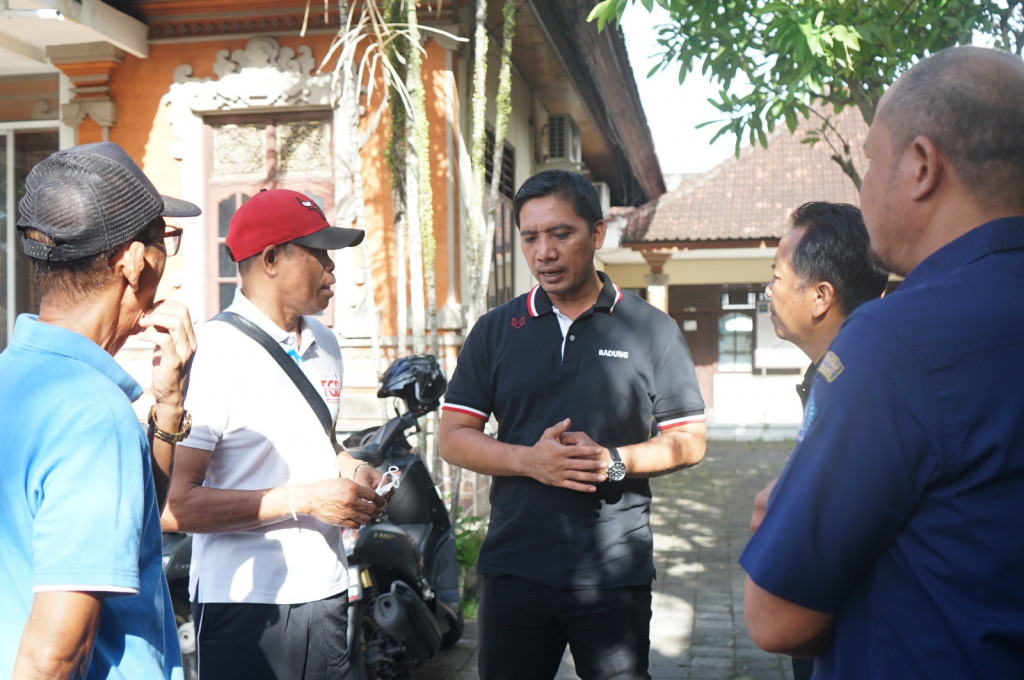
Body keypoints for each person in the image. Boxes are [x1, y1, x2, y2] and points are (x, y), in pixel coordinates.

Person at [740, 45, 1024, 678]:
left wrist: (784, 515)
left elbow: (776, 618)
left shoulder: (895, 341)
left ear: (921, 166)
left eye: (869, 161)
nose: (862, 186)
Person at [439, 169, 707, 680]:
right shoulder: (496, 330)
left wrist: (612, 463)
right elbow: (453, 437)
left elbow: (689, 440)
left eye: (561, 234)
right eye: (531, 237)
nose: (544, 252)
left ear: (598, 234)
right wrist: (528, 461)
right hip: (515, 567)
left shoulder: (652, 330)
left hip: (613, 568)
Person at [161, 188, 386, 680]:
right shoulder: (212, 353)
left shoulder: (326, 343)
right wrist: (304, 500)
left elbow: (320, 440)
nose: (333, 269)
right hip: (245, 603)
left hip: (326, 590)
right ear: (270, 259)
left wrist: (353, 468)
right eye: (320, 254)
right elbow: (176, 507)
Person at [0, 141, 199, 679]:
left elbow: (132, 526)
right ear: (133, 262)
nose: (165, 261)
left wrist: (168, 406)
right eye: (165, 241)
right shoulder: (94, 415)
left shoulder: (12, 376)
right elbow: (55, 656)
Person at [750, 201, 888, 680]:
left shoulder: (867, 382)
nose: (767, 292)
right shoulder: (831, 372)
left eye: (776, 278)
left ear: (820, 296)